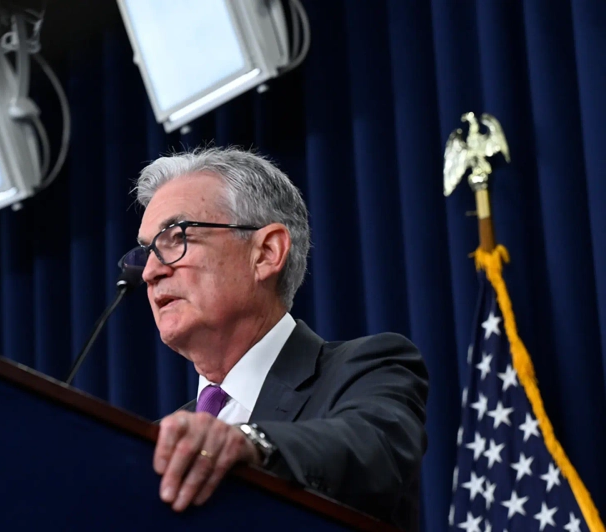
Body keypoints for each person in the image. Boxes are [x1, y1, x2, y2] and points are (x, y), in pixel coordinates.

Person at [120, 146, 428, 532]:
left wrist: (252, 443)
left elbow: (373, 450)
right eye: (147, 251)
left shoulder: (369, 368)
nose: (150, 272)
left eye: (176, 237)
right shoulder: (159, 442)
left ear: (266, 252)